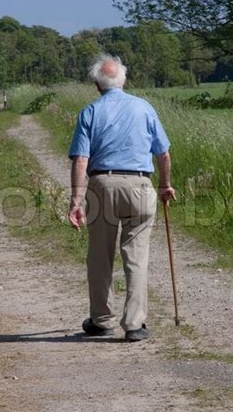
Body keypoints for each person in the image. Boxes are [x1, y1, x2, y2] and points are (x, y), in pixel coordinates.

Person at [68, 53, 175, 342]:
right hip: (140, 185)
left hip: (102, 184)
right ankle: (135, 324)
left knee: (100, 257)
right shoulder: (144, 108)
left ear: (97, 85)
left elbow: (80, 159)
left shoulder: (90, 111)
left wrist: (76, 201)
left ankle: (102, 319)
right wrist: (165, 185)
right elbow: (163, 154)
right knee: (136, 257)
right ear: (123, 81)